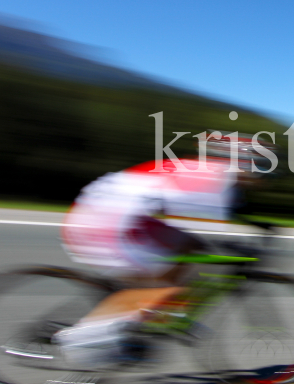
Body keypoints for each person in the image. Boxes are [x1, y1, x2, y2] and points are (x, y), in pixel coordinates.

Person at [56, 133, 275, 369]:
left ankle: (161, 310)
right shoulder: (214, 180)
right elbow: (210, 227)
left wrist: (259, 227)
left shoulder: (213, 174)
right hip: (106, 224)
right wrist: (244, 251)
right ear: (241, 162)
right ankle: (80, 339)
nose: (264, 174)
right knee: (171, 286)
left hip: (118, 215)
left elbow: (222, 217)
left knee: (191, 247)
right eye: (261, 165)